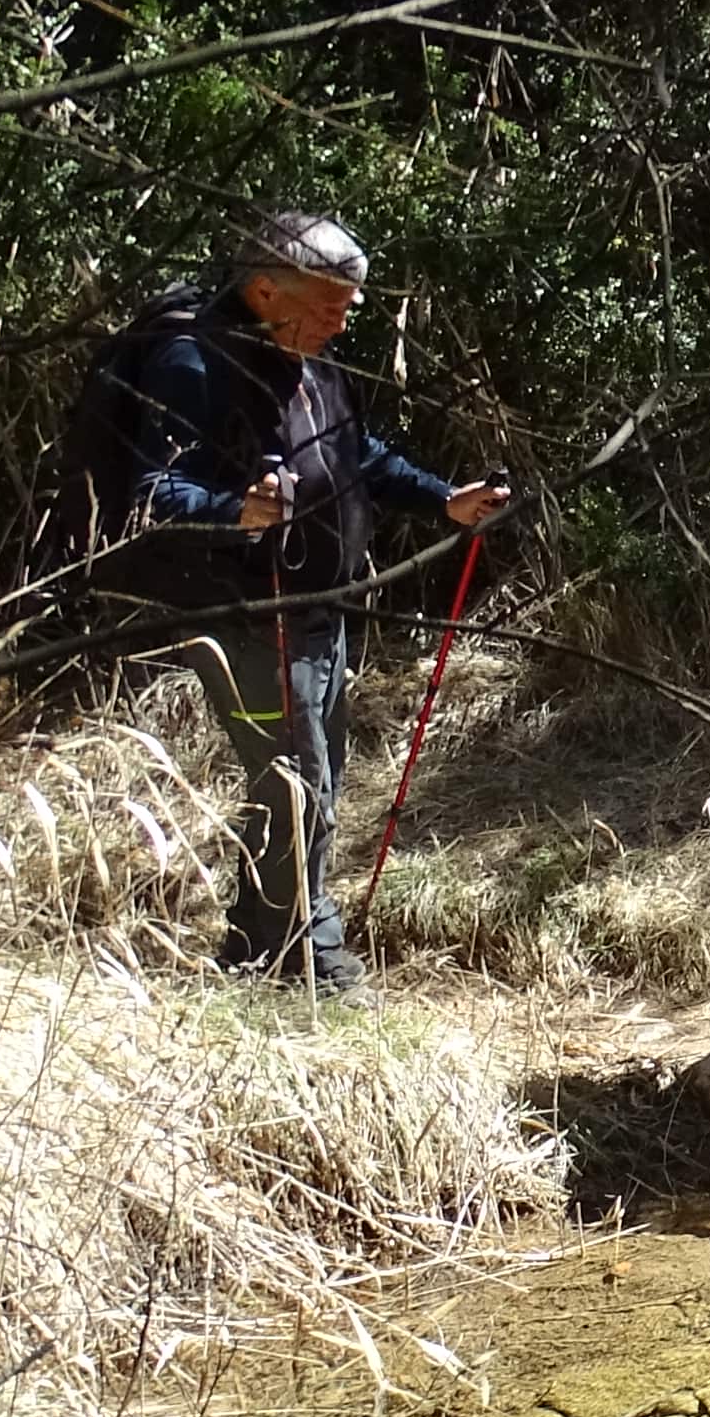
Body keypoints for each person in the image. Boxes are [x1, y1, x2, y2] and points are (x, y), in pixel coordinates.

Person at [74, 212, 510, 993]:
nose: (342, 321)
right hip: (247, 612)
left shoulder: (306, 351)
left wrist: (442, 499)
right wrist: (236, 510)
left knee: (313, 780)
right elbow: (153, 490)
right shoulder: (193, 361)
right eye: (329, 304)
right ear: (266, 289)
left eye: (348, 306)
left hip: (318, 606)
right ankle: (312, 959)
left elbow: (355, 452)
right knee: (298, 787)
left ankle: (255, 942)